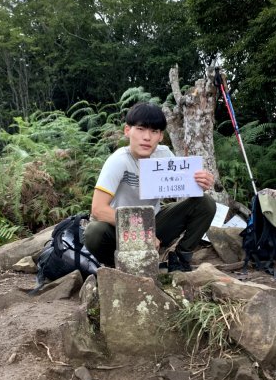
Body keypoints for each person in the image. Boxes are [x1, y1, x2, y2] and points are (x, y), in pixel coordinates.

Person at [84, 101, 217, 272]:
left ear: (161, 136)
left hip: (154, 223)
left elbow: (182, 188)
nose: (147, 137)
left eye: (154, 131)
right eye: (140, 129)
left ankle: (180, 258)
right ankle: (118, 266)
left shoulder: (163, 155)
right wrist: (141, 232)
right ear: (127, 131)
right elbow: (98, 209)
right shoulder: (118, 161)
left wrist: (200, 183)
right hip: (119, 228)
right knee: (94, 232)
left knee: (205, 203)